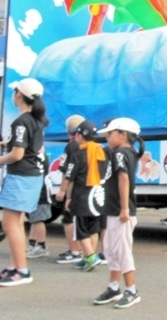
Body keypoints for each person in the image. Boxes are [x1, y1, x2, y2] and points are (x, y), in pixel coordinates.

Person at [0, 78, 48, 287]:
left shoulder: (21, 121)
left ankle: (22, 270)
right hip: (33, 175)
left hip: (21, 175)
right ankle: (14, 267)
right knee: (17, 221)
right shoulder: (36, 120)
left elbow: (17, 155)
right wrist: (10, 143)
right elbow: (35, 149)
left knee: (10, 223)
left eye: (15, 91)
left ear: (19, 95)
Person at [93, 118, 145, 309]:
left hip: (121, 211)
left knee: (122, 251)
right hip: (113, 209)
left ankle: (131, 290)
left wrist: (124, 208)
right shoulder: (123, 153)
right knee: (110, 249)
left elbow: (124, 180)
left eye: (110, 134)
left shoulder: (121, 154)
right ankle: (113, 287)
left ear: (123, 135)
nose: (107, 138)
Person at [63, 120, 107, 272]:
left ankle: (90, 257)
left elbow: (70, 179)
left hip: (82, 196)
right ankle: (90, 257)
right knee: (93, 228)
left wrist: (68, 198)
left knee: (81, 229)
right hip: (98, 195)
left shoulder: (77, 155)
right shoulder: (102, 152)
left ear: (80, 136)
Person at [54, 115, 84, 264]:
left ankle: (74, 251)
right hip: (87, 187)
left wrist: (62, 191)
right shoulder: (91, 145)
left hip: (74, 188)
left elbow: (67, 171)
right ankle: (83, 250)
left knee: (68, 219)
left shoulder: (71, 146)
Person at [26, 155, 52, 259]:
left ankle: (42, 246)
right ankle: (32, 244)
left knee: (38, 220)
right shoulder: (40, 156)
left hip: (40, 192)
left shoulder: (34, 157)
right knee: (34, 219)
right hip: (38, 191)